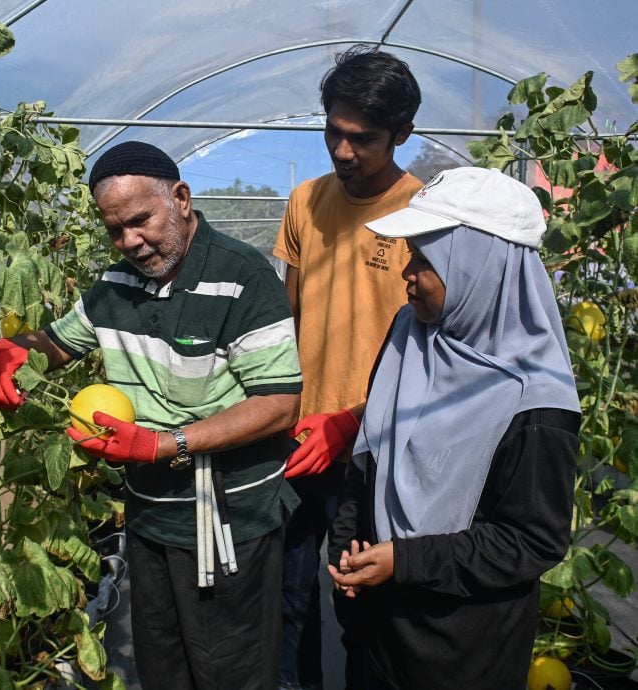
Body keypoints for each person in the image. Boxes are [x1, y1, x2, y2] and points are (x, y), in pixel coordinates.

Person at [0, 140, 303, 690]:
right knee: (164, 669)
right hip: (151, 518)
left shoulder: (243, 276)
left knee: (230, 672)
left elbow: (278, 405)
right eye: (114, 229)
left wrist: (164, 444)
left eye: (140, 221)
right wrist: (13, 349)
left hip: (226, 522)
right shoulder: (116, 285)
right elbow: (57, 344)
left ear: (180, 198)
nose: (129, 241)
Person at [328, 166, 581, 690]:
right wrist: (347, 548)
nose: (407, 273)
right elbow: (370, 458)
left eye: (424, 259)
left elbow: (531, 540)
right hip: (378, 626)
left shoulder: (534, 399)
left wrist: (407, 560)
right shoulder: (409, 335)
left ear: (478, 266)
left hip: (460, 650)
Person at [270, 46, 423, 690]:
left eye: (363, 139)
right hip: (301, 441)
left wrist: (354, 422)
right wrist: (283, 411)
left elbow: (430, 358)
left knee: (359, 604)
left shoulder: (428, 215)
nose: (342, 150)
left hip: (378, 454)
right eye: (332, 130)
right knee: (287, 600)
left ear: (402, 135)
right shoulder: (306, 201)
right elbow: (289, 320)